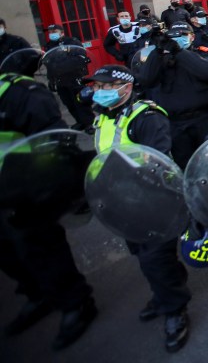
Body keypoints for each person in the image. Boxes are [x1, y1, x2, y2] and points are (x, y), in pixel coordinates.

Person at [86, 64, 191, 352]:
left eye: (106, 87)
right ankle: (164, 292)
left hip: (153, 200)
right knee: (142, 255)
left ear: (126, 87)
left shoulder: (146, 116)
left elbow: (156, 159)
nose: (99, 92)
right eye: (97, 87)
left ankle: (175, 310)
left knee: (155, 257)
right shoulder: (103, 117)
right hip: (122, 201)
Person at [0, 54, 97, 350]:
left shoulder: (20, 92)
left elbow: (54, 142)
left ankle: (75, 303)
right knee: (7, 253)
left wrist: (53, 187)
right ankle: (36, 293)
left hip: (23, 190)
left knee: (40, 248)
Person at [137, 22, 208, 168]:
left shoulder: (204, 53)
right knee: (185, 165)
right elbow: (147, 79)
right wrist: (158, 50)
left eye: (182, 35)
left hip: (204, 119)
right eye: (173, 37)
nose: (177, 39)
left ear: (192, 37)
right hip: (175, 124)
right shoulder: (161, 58)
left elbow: (207, 71)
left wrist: (178, 52)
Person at [42, 24, 94, 132]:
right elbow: (48, 64)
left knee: (80, 101)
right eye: (50, 32)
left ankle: (90, 123)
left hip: (74, 77)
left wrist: (63, 66)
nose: (52, 34)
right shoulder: (49, 46)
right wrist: (51, 80)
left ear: (62, 32)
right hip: (60, 79)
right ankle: (80, 121)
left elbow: (81, 58)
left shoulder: (72, 42)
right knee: (68, 102)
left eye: (54, 31)